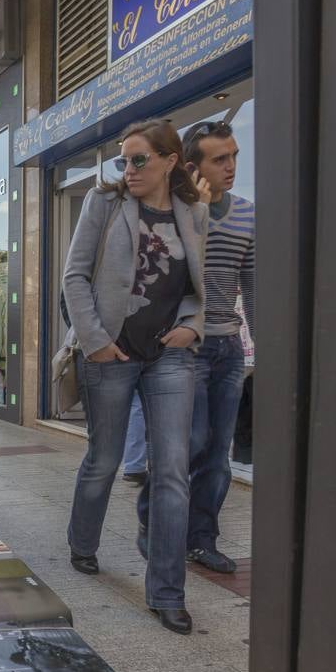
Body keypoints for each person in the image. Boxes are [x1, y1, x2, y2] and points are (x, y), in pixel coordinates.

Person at [62, 119, 208, 635]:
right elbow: (74, 275)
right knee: (103, 459)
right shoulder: (104, 205)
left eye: (139, 159)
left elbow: (198, 286)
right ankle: (82, 542)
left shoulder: (193, 213)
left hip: (169, 355)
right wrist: (96, 341)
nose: (130, 169)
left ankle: (167, 593)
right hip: (111, 354)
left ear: (170, 160)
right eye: (124, 160)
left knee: (172, 470)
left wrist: (192, 326)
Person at [138, 121, 256, 574]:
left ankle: (201, 538)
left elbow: (253, 282)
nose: (230, 166)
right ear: (191, 167)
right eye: (219, 159)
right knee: (185, 444)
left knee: (217, 452)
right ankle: (154, 524)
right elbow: (171, 277)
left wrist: (261, 345)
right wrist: (199, 215)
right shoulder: (174, 214)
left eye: (234, 156)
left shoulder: (248, 214)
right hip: (183, 347)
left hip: (228, 346)